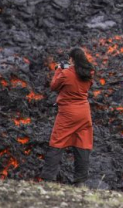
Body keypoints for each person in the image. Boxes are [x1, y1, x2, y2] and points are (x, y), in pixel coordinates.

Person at [40, 47, 94, 185]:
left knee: (57, 141)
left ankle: (48, 177)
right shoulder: (88, 73)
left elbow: (53, 86)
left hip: (68, 113)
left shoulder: (66, 73)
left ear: (71, 59)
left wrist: (59, 69)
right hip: (84, 113)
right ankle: (80, 180)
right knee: (83, 143)